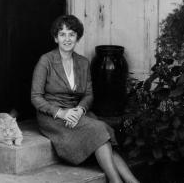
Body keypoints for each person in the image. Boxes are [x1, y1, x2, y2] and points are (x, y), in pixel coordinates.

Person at [31, 14, 139, 183]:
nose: (67, 39)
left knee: (101, 131)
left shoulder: (82, 62)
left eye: (71, 34)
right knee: (98, 130)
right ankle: (116, 181)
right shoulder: (46, 61)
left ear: (77, 37)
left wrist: (80, 109)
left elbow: (88, 95)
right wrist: (62, 114)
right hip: (53, 116)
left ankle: (132, 182)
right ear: (55, 38)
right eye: (62, 34)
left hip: (77, 112)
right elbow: (36, 97)